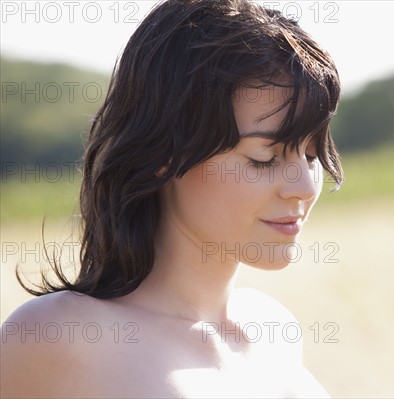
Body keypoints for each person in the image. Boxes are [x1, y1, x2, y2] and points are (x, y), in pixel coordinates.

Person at [0, 0, 343, 397]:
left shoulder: (274, 330)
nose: (304, 185)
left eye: (313, 155)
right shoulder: (58, 336)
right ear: (164, 156)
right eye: (263, 159)